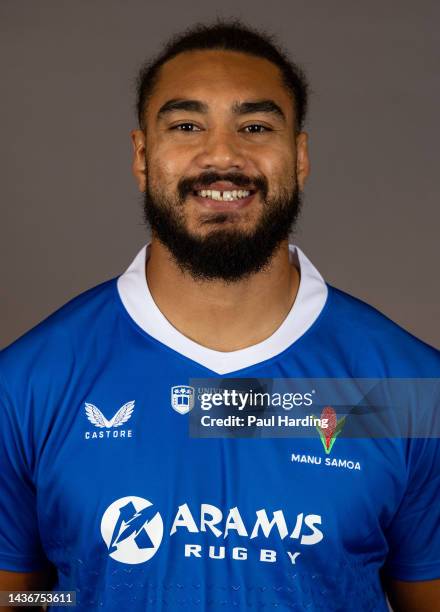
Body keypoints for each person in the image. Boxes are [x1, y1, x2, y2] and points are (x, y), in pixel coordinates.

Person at [0, 20, 439, 612]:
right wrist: (70, 602)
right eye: (186, 126)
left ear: (300, 157)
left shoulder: (405, 391)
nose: (223, 155)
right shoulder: (28, 384)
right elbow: (18, 601)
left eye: (255, 127)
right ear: (141, 156)